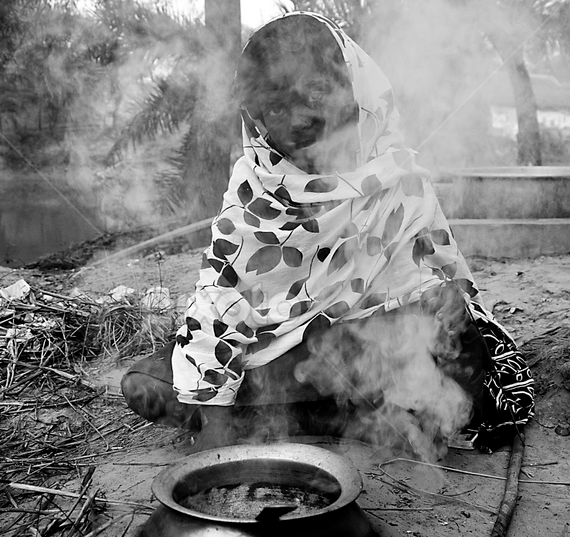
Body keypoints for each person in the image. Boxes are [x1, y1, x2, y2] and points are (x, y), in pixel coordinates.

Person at [121, 12, 534, 455]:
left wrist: (387, 337)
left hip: (377, 357)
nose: (299, 119)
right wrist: (216, 420)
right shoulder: (255, 189)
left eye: (315, 91)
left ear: (352, 85)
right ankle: (333, 418)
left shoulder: (396, 177)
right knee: (148, 385)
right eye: (276, 107)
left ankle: (309, 418)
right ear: (256, 118)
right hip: (288, 356)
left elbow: (437, 294)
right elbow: (221, 302)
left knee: (451, 360)